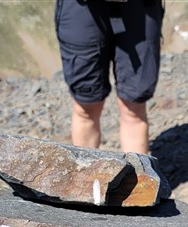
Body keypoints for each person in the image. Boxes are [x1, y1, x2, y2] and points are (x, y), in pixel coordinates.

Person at [55, 0, 164, 154]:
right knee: (86, 105)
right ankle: (87, 175)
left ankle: (135, 175)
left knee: (134, 104)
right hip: (81, 6)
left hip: (140, 7)